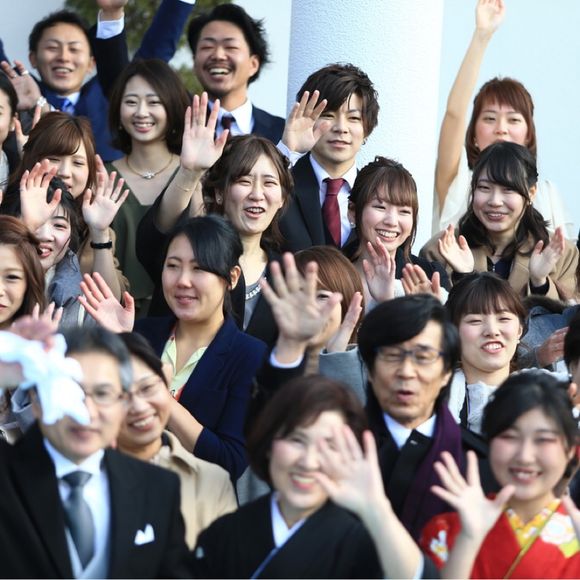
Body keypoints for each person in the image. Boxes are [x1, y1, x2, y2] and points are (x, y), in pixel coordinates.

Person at [80, 215, 267, 480]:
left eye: (199, 268)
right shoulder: (141, 334)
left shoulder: (250, 355)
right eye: (173, 266)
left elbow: (229, 461)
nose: (182, 281)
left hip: (193, 499)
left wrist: (157, 393)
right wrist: (121, 346)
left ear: (232, 277)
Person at [0, 325, 190, 578]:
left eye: (103, 394)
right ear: (36, 400)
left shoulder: (158, 488)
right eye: (69, 393)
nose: (87, 413)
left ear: (123, 402)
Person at [190, 374, 424, 579]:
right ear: (270, 442)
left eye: (329, 446)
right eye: (297, 440)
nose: (308, 462)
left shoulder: (366, 542)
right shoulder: (226, 533)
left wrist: (377, 509)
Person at [137, 101, 293, 345]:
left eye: (269, 183)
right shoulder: (187, 249)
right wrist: (189, 173)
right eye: (244, 181)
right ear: (219, 193)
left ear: (282, 198)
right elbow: (155, 235)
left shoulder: (288, 274)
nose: (257, 194)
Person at [357, 294, 497, 539]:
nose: (406, 372)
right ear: (369, 369)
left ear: (446, 372)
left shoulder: (480, 465)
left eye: (423, 358)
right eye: (392, 355)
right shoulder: (337, 451)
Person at [420, 371, 580, 578]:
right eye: (509, 437)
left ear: (570, 450)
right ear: (489, 442)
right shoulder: (447, 531)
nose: (525, 456)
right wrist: (468, 539)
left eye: (543, 440)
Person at [433, 0, 572, 238]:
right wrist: (482, 35)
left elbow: (566, 257)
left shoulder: (546, 193)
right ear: (473, 134)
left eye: (513, 120)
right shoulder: (460, 183)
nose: (501, 128)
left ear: (528, 135)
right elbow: (454, 114)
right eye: (489, 118)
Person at [117, 332, 237, 548]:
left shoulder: (212, 481)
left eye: (147, 388)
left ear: (166, 383)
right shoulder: (82, 472)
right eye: (121, 395)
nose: (139, 406)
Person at [422, 142, 579, 301]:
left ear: (531, 193)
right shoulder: (440, 250)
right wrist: (462, 276)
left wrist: (539, 283)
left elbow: (568, 313)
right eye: (484, 188)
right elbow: (430, 312)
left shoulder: (563, 255)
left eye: (508, 189)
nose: (495, 201)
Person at [2, 111, 128, 300]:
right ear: (32, 159)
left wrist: (99, 233)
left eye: (78, 163)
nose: (65, 172)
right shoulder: (7, 211)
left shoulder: (95, 226)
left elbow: (111, 302)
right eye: (54, 159)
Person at [107, 59, 189, 316]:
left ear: (172, 107)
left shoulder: (194, 174)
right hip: (116, 317)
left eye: (154, 102)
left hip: (182, 318)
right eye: (131, 102)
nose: (141, 112)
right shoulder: (101, 176)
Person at [278, 63, 380, 253]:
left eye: (353, 118)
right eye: (328, 115)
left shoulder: (377, 196)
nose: (341, 128)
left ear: (367, 130)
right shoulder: (281, 186)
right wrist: (288, 150)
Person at [347, 156, 450, 309]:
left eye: (404, 211)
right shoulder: (328, 272)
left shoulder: (430, 275)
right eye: (380, 207)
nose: (392, 221)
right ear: (353, 212)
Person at [186, 3, 285, 142]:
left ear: (253, 64)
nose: (218, 55)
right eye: (207, 47)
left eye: (230, 47)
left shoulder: (282, 134)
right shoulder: (174, 127)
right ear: (194, 62)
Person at [445, 272, 526, 433]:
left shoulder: (547, 397)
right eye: (475, 321)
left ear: (519, 331)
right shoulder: (433, 403)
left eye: (503, 319)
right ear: (453, 332)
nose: (492, 331)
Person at [294, 245, 364, 378]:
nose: (309, 307)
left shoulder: (369, 368)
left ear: (347, 302)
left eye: (322, 296)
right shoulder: (265, 361)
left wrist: (336, 357)